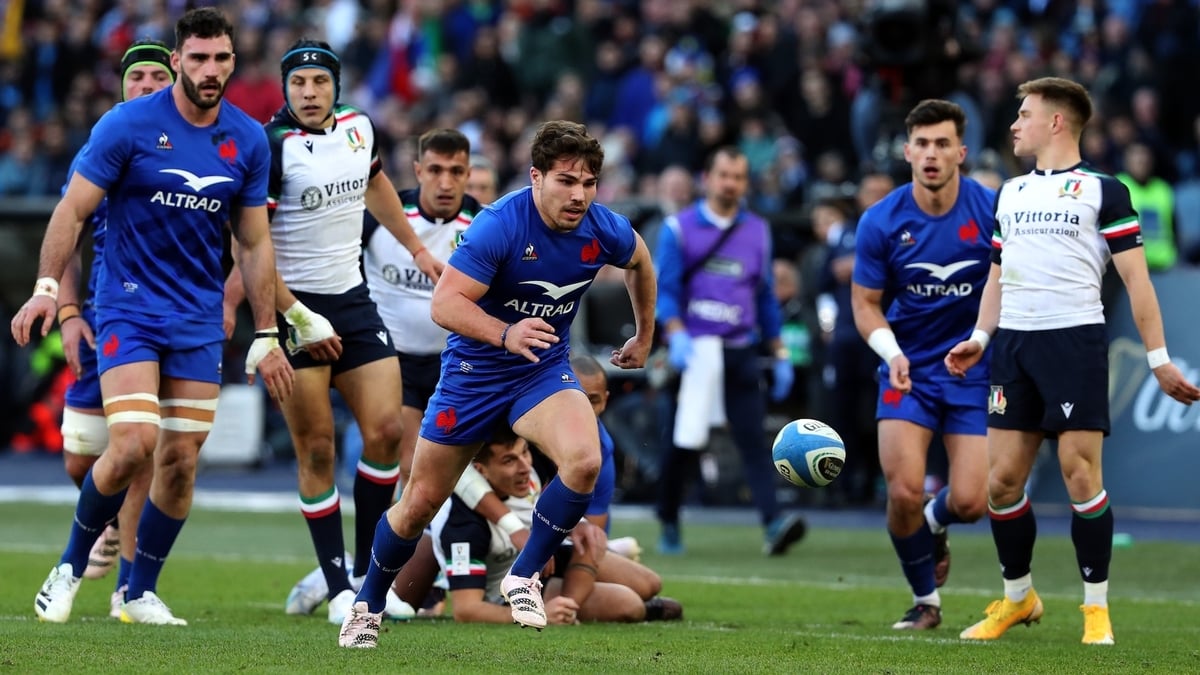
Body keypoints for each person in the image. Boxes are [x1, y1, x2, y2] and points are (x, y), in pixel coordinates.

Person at [10, 7, 293, 625]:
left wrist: (266, 331)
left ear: (233, 61)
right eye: (198, 58)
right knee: (131, 443)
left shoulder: (246, 138)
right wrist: (47, 291)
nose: (210, 70)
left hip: (194, 316)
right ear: (176, 62)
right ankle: (69, 565)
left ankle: (139, 591)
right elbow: (70, 212)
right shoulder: (127, 125)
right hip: (129, 307)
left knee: (181, 459)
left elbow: (253, 242)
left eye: (221, 58)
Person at [337, 120, 656, 648]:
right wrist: (505, 332)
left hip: (540, 370)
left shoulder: (604, 228)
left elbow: (640, 262)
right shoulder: (500, 224)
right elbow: (444, 303)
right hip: (473, 377)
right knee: (419, 502)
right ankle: (367, 604)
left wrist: (644, 333)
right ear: (535, 177)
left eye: (589, 182)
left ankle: (523, 574)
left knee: (585, 459)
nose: (579, 195)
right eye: (566, 181)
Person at [945, 77, 1200, 645]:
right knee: (1003, 484)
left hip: (1074, 342)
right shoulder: (1008, 194)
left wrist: (1158, 359)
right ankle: (1018, 599)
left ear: (1056, 122)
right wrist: (980, 338)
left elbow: (1138, 283)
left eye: (1025, 114)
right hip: (1013, 345)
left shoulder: (1103, 191)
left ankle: (1095, 610)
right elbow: (997, 277)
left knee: (1080, 475)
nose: (1014, 124)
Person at [224, 39, 442, 625]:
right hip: (295, 310)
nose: (310, 93)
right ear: (286, 89)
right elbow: (252, 244)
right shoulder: (271, 146)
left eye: (319, 82)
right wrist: (286, 315)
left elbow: (376, 186)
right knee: (317, 447)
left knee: (387, 431)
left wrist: (417, 248)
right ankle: (337, 584)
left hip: (353, 301)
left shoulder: (360, 129)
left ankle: (370, 576)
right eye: (299, 84)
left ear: (335, 87)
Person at [850, 99, 994, 631]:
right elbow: (865, 303)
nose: (932, 155)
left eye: (942, 144)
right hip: (907, 368)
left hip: (971, 371)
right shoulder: (881, 220)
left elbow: (1008, 288)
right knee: (905, 490)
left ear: (962, 151)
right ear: (907, 151)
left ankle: (937, 522)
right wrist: (893, 354)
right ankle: (925, 600)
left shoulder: (991, 210)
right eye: (922, 145)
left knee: (973, 502)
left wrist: (981, 339)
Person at [52, 40, 176, 617]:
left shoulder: (196, 147)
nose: (147, 84)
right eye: (137, 76)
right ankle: (98, 522)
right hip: (104, 313)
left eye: (157, 75)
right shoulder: (101, 146)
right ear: (122, 86)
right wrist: (69, 313)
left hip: (168, 316)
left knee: (143, 450)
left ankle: (131, 586)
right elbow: (68, 236)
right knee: (84, 454)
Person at [653, 145, 806, 557]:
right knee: (683, 443)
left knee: (753, 438)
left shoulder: (758, 230)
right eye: (724, 175)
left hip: (739, 347)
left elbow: (766, 296)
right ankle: (668, 519)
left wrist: (779, 351)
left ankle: (773, 522)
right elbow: (663, 292)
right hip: (696, 350)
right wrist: (676, 332)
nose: (731, 184)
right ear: (708, 178)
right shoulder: (678, 229)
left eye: (738, 177)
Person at [432, 427, 681, 625]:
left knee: (649, 583)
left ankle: (569, 605)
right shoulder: (463, 525)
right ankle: (563, 608)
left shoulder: (530, 473)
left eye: (524, 453)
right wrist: (537, 614)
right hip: (508, 592)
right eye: (509, 460)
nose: (524, 467)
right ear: (479, 470)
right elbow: (466, 610)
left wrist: (579, 524)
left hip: (548, 560)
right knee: (629, 605)